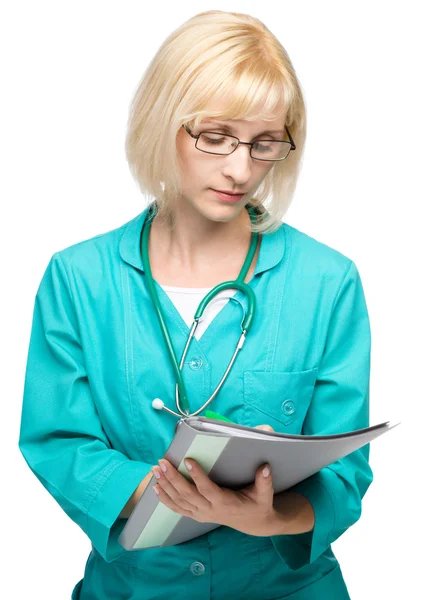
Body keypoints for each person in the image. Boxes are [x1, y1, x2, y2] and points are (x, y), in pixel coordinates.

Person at [18, 9, 373, 600]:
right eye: (215, 137)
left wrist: (266, 517)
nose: (241, 169)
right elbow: (58, 443)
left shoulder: (327, 281)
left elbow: (344, 471)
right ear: (163, 122)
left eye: (264, 144)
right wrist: (168, 493)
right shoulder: (78, 280)